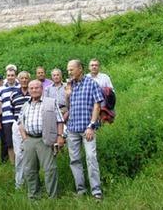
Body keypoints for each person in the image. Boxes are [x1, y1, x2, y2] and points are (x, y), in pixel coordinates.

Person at [18, 80, 65, 200]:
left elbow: (60, 120)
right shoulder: (25, 105)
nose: (34, 90)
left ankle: (52, 197)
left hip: (46, 140)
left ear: (41, 89)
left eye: (36, 88)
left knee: (50, 169)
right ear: (28, 90)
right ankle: (34, 196)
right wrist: (24, 139)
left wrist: (60, 136)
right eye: (31, 88)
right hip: (29, 140)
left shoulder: (50, 102)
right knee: (30, 170)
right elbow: (20, 123)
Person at [65, 59, 104, 200]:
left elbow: (97, 106)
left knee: (91, 158)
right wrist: (67, 94)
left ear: (80, 69)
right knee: (74, 160)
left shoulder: (92, 84)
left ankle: (96, 191)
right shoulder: (70, 86)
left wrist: (91, 126)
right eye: (68, 70)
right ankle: (81, 190)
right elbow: (69, 107)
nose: (69, 72)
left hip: (87, 129)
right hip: (72, 128)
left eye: (71, 69)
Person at [0, 65, 20, 163]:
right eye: (8, 75)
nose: (10, 77)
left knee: (21, 141)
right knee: (9, 143)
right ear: (6, 76)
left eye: (12, 75)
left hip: (19, 120)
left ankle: (21, 162)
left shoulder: (20, 87)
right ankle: (13, 164)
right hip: (6, 120)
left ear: (15, 76)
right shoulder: (1, 89)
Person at [10, 71, 31, 189]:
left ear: (29, 79)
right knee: (19, 154)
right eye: (22, 78)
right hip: (17, 125)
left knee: (30, 154)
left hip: (30, 126)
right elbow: (12, 110)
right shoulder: (14, 94)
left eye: (26, 78)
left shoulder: (32, 92)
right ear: (19, 80)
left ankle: (30, 181)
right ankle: (19, 183)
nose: (24, 80)